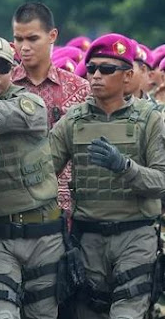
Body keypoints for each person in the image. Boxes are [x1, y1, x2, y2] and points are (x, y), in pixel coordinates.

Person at [50, 33, 165, 319]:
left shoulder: (150, 120)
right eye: (92, 69)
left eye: (107, 69)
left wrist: (124, 167)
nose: (96, 75)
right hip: (88, 237)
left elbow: (162, 182)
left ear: (128, 76)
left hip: (135, 235)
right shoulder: (73, 121)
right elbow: (42, 169)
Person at [0, 36, 64, 319]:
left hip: (44, 235)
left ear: (13, 71)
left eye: (2, 67)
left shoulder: (29, 103)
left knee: (43, 313)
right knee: (0, 313)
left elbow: (0, 117)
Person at [11, 2, 90, 220]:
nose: (24, 47)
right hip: (15, 205)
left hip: (68, 209)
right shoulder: (4, 87)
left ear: (52, 35)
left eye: (32, 38)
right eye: (19, 39)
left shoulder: (80, 89)